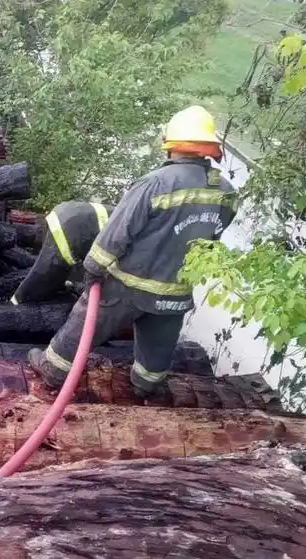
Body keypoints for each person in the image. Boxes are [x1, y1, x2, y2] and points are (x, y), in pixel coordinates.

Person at [29, 105, 238, 397]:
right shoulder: (226, 192)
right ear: (209, 149)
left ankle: (53, 370)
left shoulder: (155, 183)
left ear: (171, 146)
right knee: (158, 347)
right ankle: (145, 385)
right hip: (176, 292)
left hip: (129, 284)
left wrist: (92, 269)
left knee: (84, 323)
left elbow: (117, 231)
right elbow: (212, 236)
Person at [10, 201, 114, 304]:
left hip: (67, 213)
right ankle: (17, 304)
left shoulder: (121, 213)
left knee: (53, 273)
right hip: (75, 228)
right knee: (44, 275)